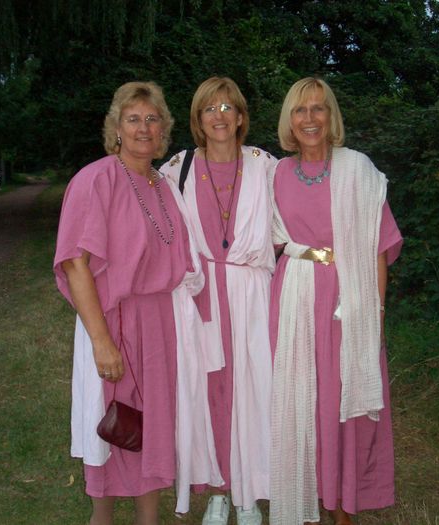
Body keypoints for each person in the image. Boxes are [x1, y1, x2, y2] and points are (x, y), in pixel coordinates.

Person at [53, 81, 204, 525]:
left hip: (160, 324)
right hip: (112, 319)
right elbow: (75, 264)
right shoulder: (95, 179)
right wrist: (102, 342)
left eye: (152, 119)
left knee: (151, 425)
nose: (143, 128)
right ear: (116, 128)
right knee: (110, 422)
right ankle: (101, 518)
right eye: (133, 119)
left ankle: (148, 519)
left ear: (163, 130)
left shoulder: (164, 185)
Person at [268, 77, 403, 525]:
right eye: (300, 110)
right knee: (301, 400)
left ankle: (343, 504)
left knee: (343, 399)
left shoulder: (358, 170)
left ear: (331, 116)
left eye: (318, 108)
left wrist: (374, 313)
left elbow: (379, 247)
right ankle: (306, 499)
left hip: (349, 300)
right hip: (295, 299)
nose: (309, 118)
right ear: (289, 120)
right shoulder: (276, 174)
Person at [161, 77, 276, 525]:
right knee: (208, 391)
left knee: (253, 390)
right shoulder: (178, 169)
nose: (219, 116)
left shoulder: (265, 166)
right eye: (210, 108)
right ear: (198, 118)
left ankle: (249, 492)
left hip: (251, 295)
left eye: (228, 107)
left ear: (241, 117)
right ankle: (217, 490)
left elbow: (291, 220)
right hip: (200, 294)